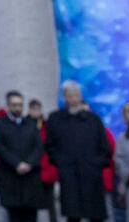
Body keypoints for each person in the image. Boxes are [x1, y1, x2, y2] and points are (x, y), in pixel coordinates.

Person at [46, 81, 112, 222]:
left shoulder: (93, 119)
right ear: (65, 97)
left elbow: (105, 147)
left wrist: (95, 164)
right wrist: (62, 163)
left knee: (95, 214)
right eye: (70, 95)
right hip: (69, 175)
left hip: (92, 175)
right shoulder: (55, 119)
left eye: (77, 95)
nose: (74, 99)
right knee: (73, 214)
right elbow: (50, 146)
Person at [0, 91, 45, 222]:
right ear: (8, 105)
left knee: (31, 216)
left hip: (30, 177)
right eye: (14, 104)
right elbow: (0, 146)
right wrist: (17, 164)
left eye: (20, 105)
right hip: (11, 177)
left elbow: (38, 146)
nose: (17, 108)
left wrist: (29, 163)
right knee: (14, 216)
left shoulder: (30, 123)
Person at [33, 99, 60, 222]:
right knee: (33, 202)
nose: (36, 112)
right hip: (34, 169)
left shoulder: (47, 124)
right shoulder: (27, 124)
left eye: (38, 109)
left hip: (47, 168)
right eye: (33, 109)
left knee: (50, 201)